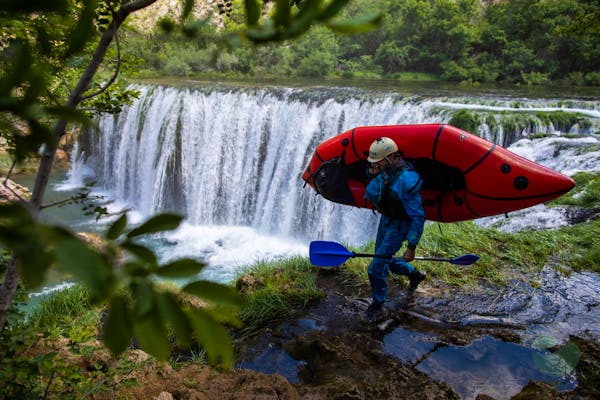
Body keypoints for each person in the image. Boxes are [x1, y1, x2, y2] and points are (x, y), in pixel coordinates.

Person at [363, 137, 426, 320]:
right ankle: (414, 274)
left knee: (375, 269)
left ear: (391, 157)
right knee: (385, 261)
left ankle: (378, 305)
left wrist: (411, 246)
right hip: (387, 221)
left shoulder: (407, 180)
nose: (374, 166)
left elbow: (417, 216)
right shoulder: (385, 170)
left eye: (378, 162)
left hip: (399, 226)